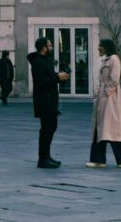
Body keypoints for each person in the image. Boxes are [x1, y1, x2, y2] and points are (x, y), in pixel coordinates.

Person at [87, 39, 121, 168]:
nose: (99, 48)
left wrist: (106, 92)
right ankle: (99, 159)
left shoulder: (114, 59)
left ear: (107, 47)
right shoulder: (105, 59)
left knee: (109, 128)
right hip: (103, 97)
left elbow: (115, 79)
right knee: (100, 127)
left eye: (100, 46)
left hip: (110, 98)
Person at [27, 37, 69, 168]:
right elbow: (41, 82)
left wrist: (60, 77)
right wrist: (57, 77)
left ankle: (46, 156)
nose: (51, 47)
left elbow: (49, 78)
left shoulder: (46, 60)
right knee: (46, 130)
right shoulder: (38, 62)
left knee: (51, 128)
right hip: (44, 101)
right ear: (44, 47)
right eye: (49, 45)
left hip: (50, 100)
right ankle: (43, 159)